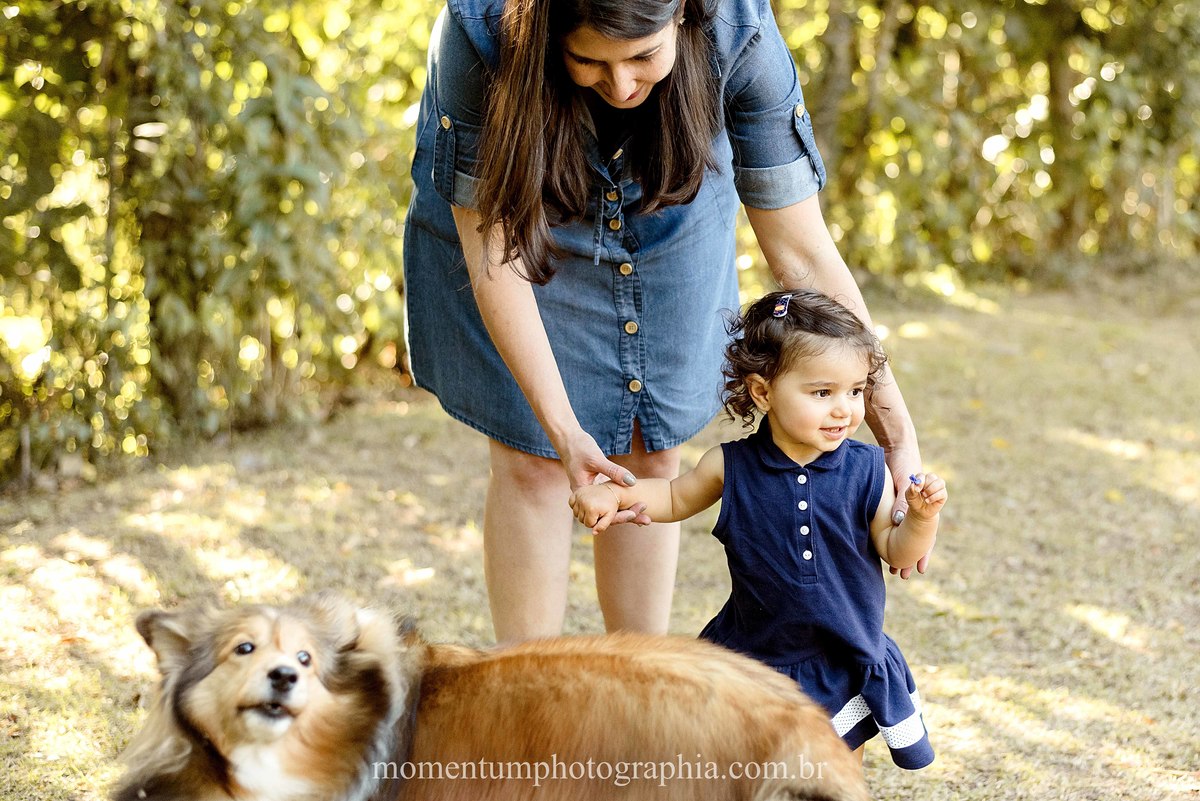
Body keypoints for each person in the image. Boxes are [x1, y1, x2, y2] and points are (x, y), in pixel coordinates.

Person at [402, 0, 929, 644]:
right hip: (521, 218)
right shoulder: (482, 28)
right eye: (588, 60)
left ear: (682, 13)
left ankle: (637, 688)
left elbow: (804, 252)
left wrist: (895, 431)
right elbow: (496, 253)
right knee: (534, 461)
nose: (621, 86)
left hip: (672, 204)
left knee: (651, 447)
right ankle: (527, 701)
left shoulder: (738, 29)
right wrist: (565, 433)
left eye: (644, 57)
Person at [569, 289, 946, 770]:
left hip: (839, 653)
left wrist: (920, 517)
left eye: (855, 391)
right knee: (745, 766)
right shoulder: (730, 465)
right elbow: (670, 496)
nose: (844, 409)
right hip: (754, 650)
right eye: (822, 392)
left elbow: (896, 551)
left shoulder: (869, 470)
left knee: (830, 767)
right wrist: (616, 493)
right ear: (763, 391)